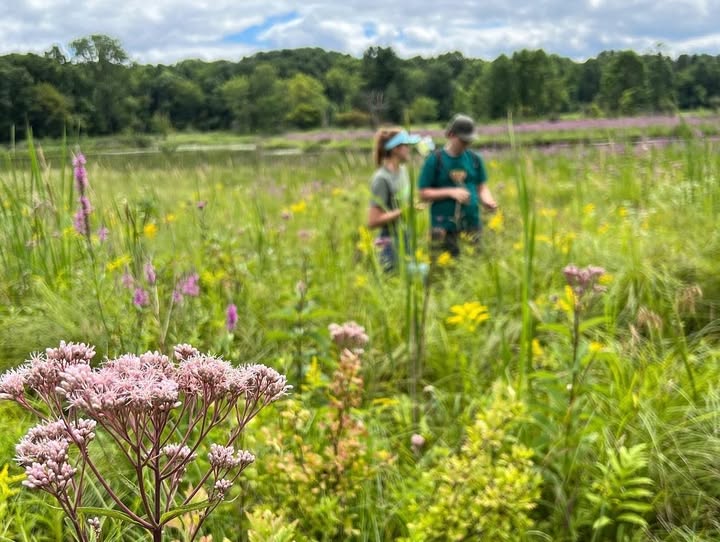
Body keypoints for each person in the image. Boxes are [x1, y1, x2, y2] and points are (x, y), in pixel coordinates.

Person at [418, 114, 497, 256]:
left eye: (469, 141)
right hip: (443, 227)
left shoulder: (475, 159)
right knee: (446, 268)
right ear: (451, 135)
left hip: (472, 223)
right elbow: (423, 193)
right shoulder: (435, 160)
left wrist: (487, 200)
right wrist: (451, 192)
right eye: (463, 140)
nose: (466, 144)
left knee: (473, 265)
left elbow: (481, 188)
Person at [367, 126, 421, 271]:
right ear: (396, 149)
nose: (409, 149)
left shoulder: (403, 172)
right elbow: (373, 221)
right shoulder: (381, 179)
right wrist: (404, 211)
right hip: (390, 245)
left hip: (406, 239)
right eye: (406, 146)